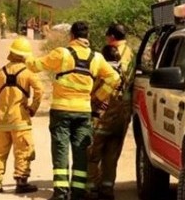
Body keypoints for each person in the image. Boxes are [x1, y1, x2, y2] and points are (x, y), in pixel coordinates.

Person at [25, 21, 121, 200]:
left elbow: (35, 66)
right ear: (87, 37)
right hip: (83, 111)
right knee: (81, 152)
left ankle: (61, 193)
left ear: (71, 36)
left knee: (61, 150)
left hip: (61, 111)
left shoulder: (61, 53)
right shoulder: (97, 58)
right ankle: (78, 192)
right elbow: (115, 78)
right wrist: (98, 97)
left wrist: (26, 55)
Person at [0, 37, 44, 194]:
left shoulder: (0, 73)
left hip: (1, 121)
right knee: (23, 151)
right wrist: (32, 108)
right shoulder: (28, 72)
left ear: (11, 53)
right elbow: (40, 91)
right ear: (25, 55)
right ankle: (21, 182)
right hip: (20, 120)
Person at [87, 24, 136, 200]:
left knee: (93, 152)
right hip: (123, 112)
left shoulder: (105, 62)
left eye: (108, 37)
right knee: (112, 153)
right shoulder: (131, 54)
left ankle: (91, 188)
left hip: (103, 114)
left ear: (112, 38)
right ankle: (107, 188)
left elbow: (96, 89)